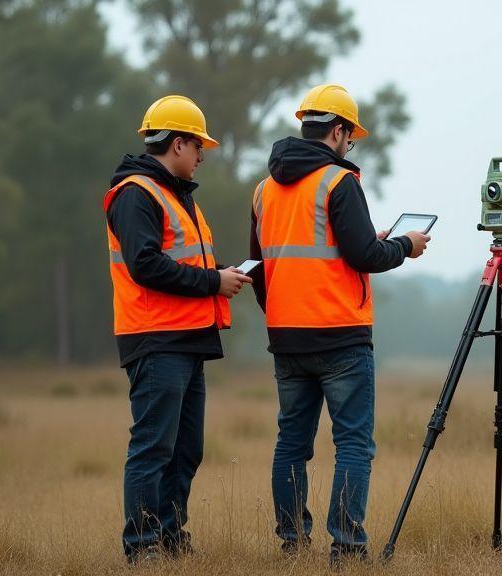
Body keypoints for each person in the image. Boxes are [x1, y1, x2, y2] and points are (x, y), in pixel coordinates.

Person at [248, 84, 429, 565]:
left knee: (291, 442)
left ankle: (292, 544)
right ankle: (346, 549)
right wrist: (406, 247)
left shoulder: (265, 190)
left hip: (286, 338)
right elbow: (364, 255)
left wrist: (280, 318)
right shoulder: (338, 182)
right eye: (350, 136)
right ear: (338, 130)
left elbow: (260, 267)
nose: (351, 145)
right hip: (340, 337)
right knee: (352, 443)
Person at [103, 95, 252, 563]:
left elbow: (183, 260)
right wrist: (213, 281)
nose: (202, 155)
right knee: (153, 449)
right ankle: (142, 548)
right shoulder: (135, 194)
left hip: (186, 339)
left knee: (186, 451)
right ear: (179, 143)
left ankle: (169, 540)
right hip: (156, 339)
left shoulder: (175, 195)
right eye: (198, 146)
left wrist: (225, 273)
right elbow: (145, 265)